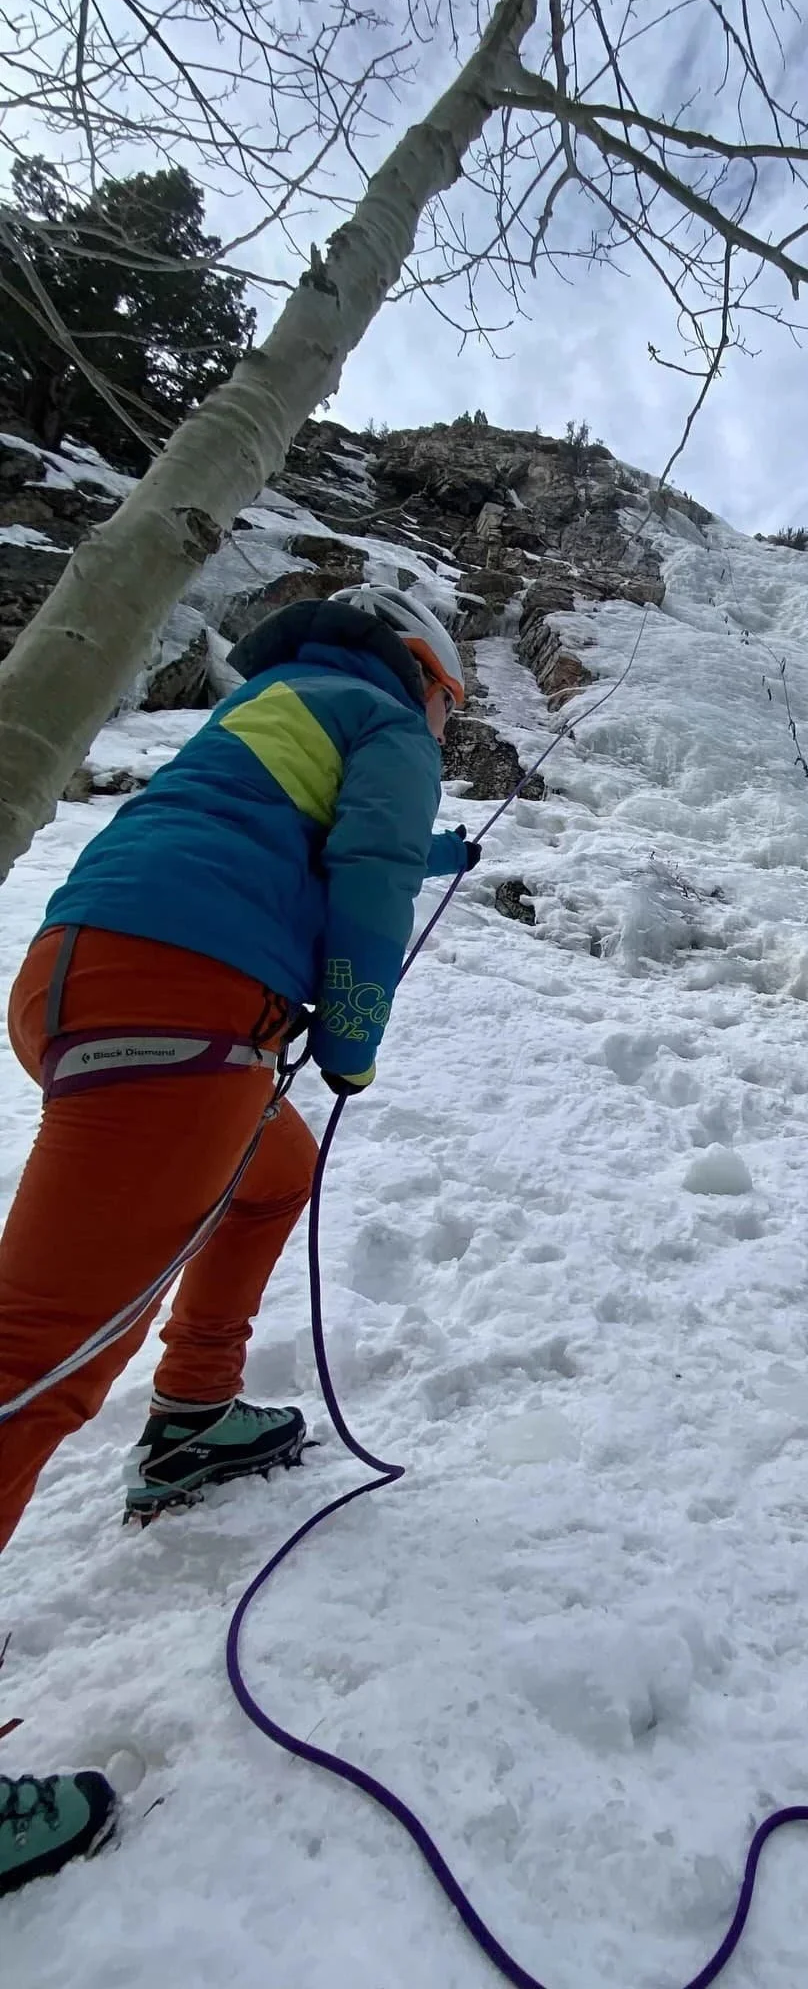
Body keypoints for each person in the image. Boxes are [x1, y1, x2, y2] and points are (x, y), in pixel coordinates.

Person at [0, 584, 479, 1896]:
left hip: (86, 974)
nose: (443, 718)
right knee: (36, 1355)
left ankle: (197, 1409)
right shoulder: (389, 720)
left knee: (273, 1171)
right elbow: (367, 866)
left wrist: (425, 851)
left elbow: (307, 835)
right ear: (427, 673)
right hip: (189, 991)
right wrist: (359, 1029)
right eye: (450, 699)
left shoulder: (279, 700)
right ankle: (176, 1409)